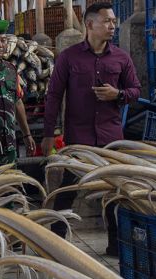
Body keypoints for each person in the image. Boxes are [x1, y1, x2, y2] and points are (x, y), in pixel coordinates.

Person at [42, 2, 141, 255]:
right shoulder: (69, 57)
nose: (112, 26)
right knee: (68, 189)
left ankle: (116, 244)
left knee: (113, 191)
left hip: (110, 139)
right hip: (80, 137)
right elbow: (53, 96)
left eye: (113, 21)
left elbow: (135, 92)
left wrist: (116, 94)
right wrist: (48, 134)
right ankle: (57, 242)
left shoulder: (121, 57)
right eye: (107, 21)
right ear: (89, 25)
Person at [0, 19, 35, 169]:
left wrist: (27, 134)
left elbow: (17, 101)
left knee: (11, 187)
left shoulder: (10, 69)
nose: (0, 45)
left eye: (3, 40)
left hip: (9, 145)